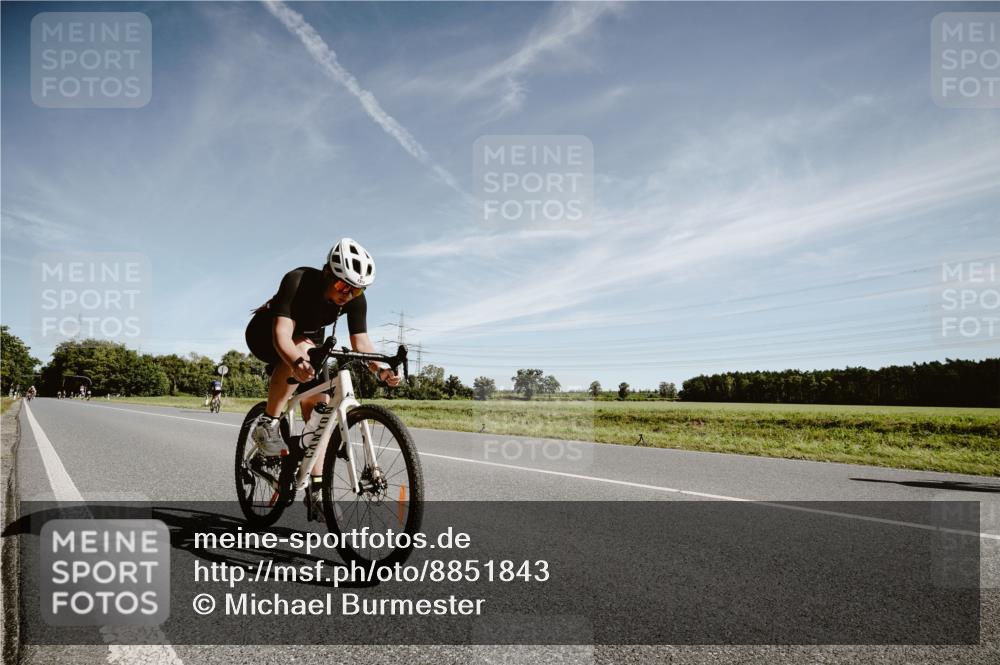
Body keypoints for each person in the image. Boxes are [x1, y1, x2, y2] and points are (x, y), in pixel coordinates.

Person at [245, 238, 401, 510]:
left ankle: (316, 487)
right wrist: (295, 362)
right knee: (303, 348)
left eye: (356, 290)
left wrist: (382, 370)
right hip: (266, 332)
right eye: (343, 286)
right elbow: (281, 334)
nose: (347, 294)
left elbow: (361, 343)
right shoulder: (298, 280)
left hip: (308, 341)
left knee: (320, 407)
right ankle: (267, 423)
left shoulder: (354, 300)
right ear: (328, 273)